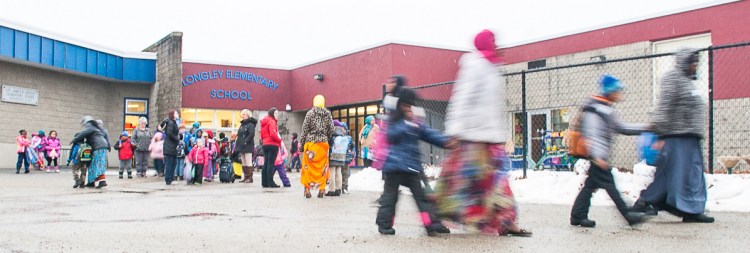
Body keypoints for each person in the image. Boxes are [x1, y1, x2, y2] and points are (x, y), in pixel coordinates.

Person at [434, 30, 531, 236]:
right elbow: (462, 98)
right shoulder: (474, 65)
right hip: (473, 137)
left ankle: (506, 221)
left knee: (498, 182)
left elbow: (494, 106)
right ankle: (438, 216)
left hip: (491, 138)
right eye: (493, 41)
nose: (497, 45)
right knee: (465, 184)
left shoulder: (493, 66)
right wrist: (455, 130)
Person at [632, 49, 714, 223]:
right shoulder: (672, 78)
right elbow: (664, 107)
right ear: (684, 61)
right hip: (676, 137)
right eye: (693, 62)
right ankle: (647, 201)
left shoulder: (687, 81)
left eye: (696, 62)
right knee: (674, 175)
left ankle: (689, 210)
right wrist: (660, 135)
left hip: (690, 138)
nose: (695, 65)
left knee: (690, 175)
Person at [569, 75, 650, 228]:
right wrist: (597, 156)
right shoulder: (597, 108)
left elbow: (621, 128)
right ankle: (628, 215)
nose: (620, 94)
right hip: (597, 155)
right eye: (617, 91)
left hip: (598, 155)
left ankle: (577, 216)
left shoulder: (605, 108)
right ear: (609, 91)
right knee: (610, 185)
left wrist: (646, 128)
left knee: (590, 185)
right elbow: (591, 134)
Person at [375, 88, 453, 236]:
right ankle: (384, 224)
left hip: (411, 167)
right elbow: (390, 136)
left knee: (422, 197)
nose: (408, 109)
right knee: (390, 197)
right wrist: (407, 124)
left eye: (410, 106)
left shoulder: (415, 122)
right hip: (394, 167)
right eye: (405, 105)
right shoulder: (393, 121)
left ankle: (431, 223)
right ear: (400, 106)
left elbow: (429, 134)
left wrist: (446, 142)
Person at [300, 96, 334, 198]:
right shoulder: (327, 114)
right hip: (323, 144)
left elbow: (305, 130)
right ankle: (322, 189)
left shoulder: (310, 113)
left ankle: (307, 189)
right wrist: (325, 137)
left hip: (311, 144)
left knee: (308, 168)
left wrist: (301, 145)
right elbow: (331, 129)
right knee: (323, 168)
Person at [70, 116, 110, 189]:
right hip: (100, 146)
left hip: (98, 147)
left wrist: (73, 140)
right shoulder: (95, 127)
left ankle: (102, 181)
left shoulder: (90, 127)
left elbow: (82, 134)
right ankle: (91, 182)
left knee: (97, 165)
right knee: (93, 166)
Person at [328, 121, 353, 196]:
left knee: (332, 171)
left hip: (333, 156)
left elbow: (329, 144)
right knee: (339, 171)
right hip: (341, 156)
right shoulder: (342, 135)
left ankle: (331, 190)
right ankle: (338, 189)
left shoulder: (332, 135)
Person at [260, 108, 283, 188]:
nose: (277, 115)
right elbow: (273, 134)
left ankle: (264, 182)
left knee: (266, 163)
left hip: (265, 144)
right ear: (272, 114)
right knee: (271, 164)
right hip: (273, 144)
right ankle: (270, 182)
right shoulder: (272, 121)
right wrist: (280, 140)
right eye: (276, 113)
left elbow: (262, 135)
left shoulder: (264, 122)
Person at [235, 109, 257, 183]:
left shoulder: (251, 124)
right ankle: (246, 176)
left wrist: (245, 142)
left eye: (244, 114)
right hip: (241, 145)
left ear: (248, 115)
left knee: (248, 161)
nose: (243, 116)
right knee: (243, 161)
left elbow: (251, 134)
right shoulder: (242, 124)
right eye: (242, 114)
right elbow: (239, 134)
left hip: (248, 145)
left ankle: (250, 177)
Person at [160, 110, 180, 185]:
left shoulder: (173, 123)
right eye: (176, 113)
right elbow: (169, 133)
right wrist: (176, 139)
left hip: (172, 145)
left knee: (173, 163)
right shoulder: (171, 123)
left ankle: (170, 178)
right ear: (173, 115)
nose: (177, 114)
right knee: (170, 163)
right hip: (170, 145)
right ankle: (168, 179)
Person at [342, 122, 355, 194]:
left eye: (343, 129)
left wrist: (353, 153)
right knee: (339, 173)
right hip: (339, 158)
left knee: (346, 173)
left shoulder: (349, 138)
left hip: (346, 159)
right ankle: (339, 186)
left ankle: (345, 187)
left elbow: (352, 147)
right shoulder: (337, 137)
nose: (342, 130)